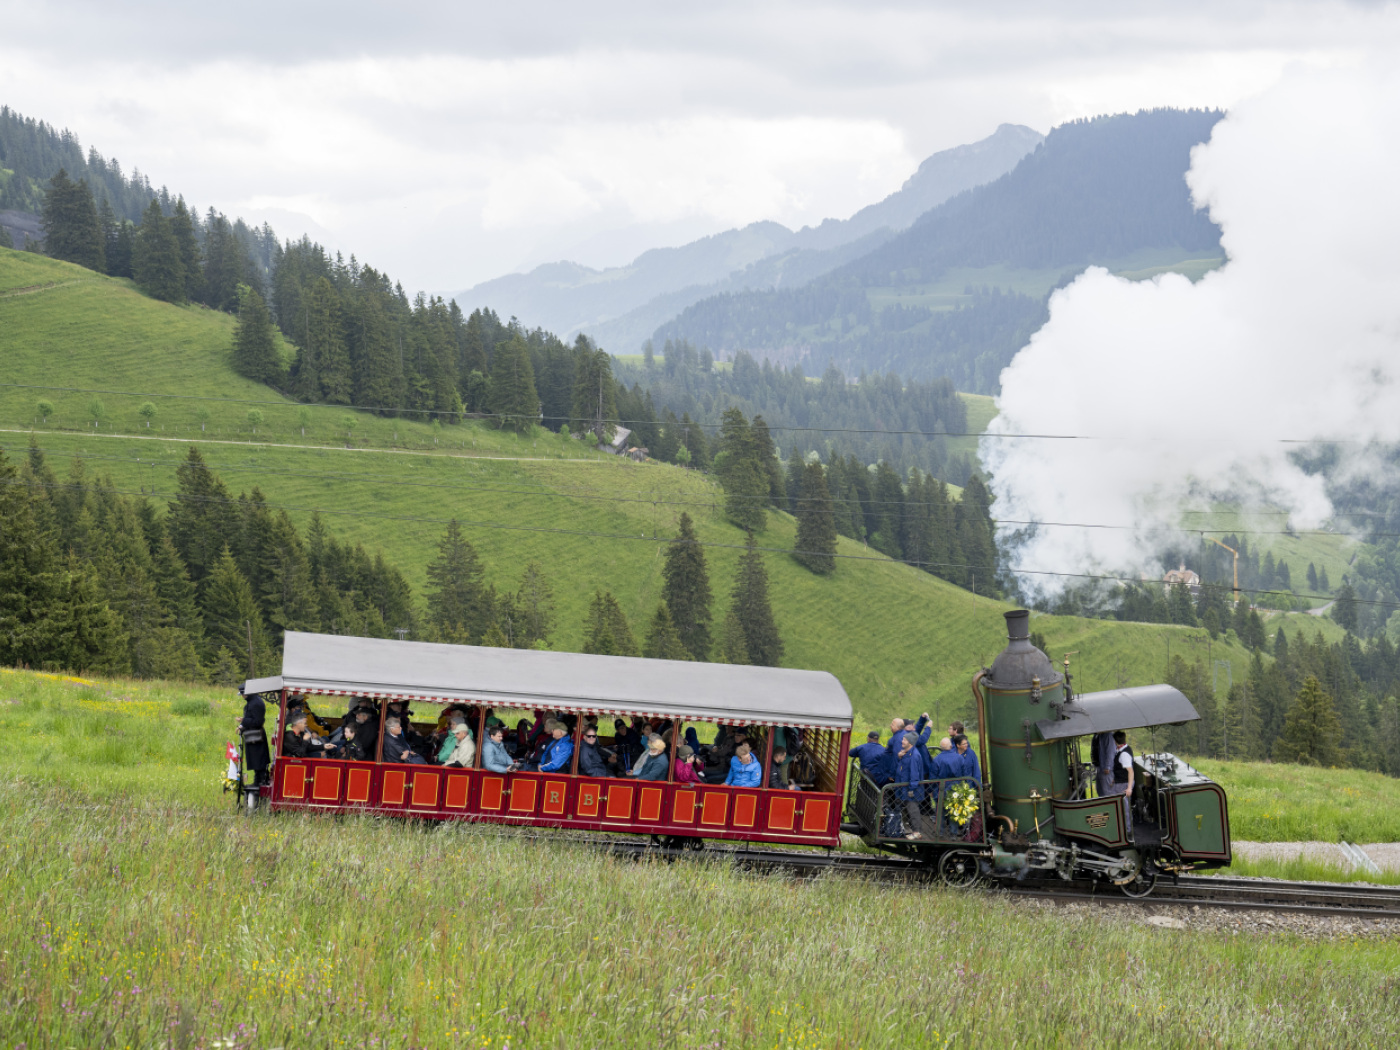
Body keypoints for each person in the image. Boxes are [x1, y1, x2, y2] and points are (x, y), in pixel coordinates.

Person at [894, 734, 928, 840]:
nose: (902, 741)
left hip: (911, 790)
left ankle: (917, 832)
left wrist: (911, 790)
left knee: (913, 810)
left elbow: (914, 775)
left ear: (910, 742)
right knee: (906, 809)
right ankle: (908, 829)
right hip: (903, 788)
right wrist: (900, 757)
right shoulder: (907, 753)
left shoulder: (914, 756)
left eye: (904, 740)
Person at [236, 687, 271, 786]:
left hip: (256, 736)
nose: (242, 696)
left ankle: (261, 781)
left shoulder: (256, 703)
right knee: (256, 760)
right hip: (253, 735)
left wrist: (243, 720)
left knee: (259, 760)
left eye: (243, 694)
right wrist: (242, 726)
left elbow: (257, 721)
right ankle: (258, 781)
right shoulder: (253, 702)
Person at [1110, 731, 1135, 822]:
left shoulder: (1124, 754)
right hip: (1120, 782)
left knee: (1124, 809)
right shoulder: (1122, 750)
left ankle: (1127, 829)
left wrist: (1129, 788)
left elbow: (1130, 771)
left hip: (1123, 784)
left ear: (1115, 741)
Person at [1093, 731, 1116, 798]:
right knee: (1100, 791)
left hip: (1105, 769)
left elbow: (1111, 751)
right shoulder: (1097, 736)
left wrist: (1108, 767)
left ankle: (1111, 807)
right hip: (1098, 766)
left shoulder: (1108, 735)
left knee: (1108, 792)